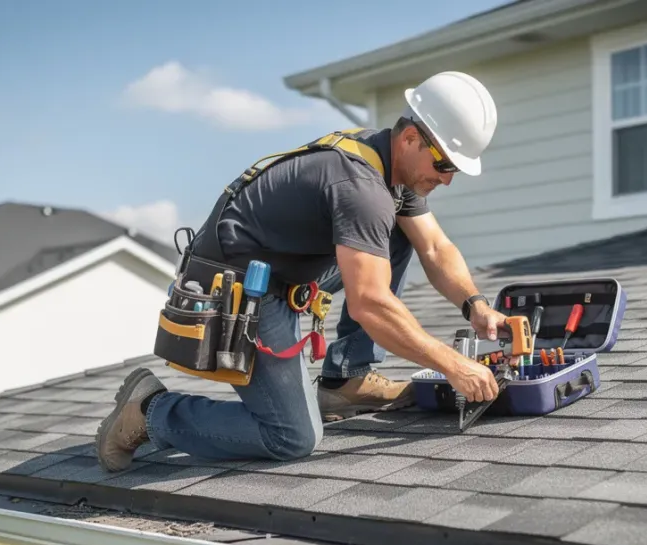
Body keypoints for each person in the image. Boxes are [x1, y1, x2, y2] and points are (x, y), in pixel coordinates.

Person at [96, 71, 506, 471]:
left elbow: (435, 246)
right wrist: (453, 364)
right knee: (292, 437)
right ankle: (150, 411)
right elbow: (370, 304)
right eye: (445, 165)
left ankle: (346, 380)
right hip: (239, 289)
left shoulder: (387, 165)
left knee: (399, 234)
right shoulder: (361, 189)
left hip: (278, 268)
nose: (447, 179)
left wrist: (476, 305)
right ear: (411, 137)